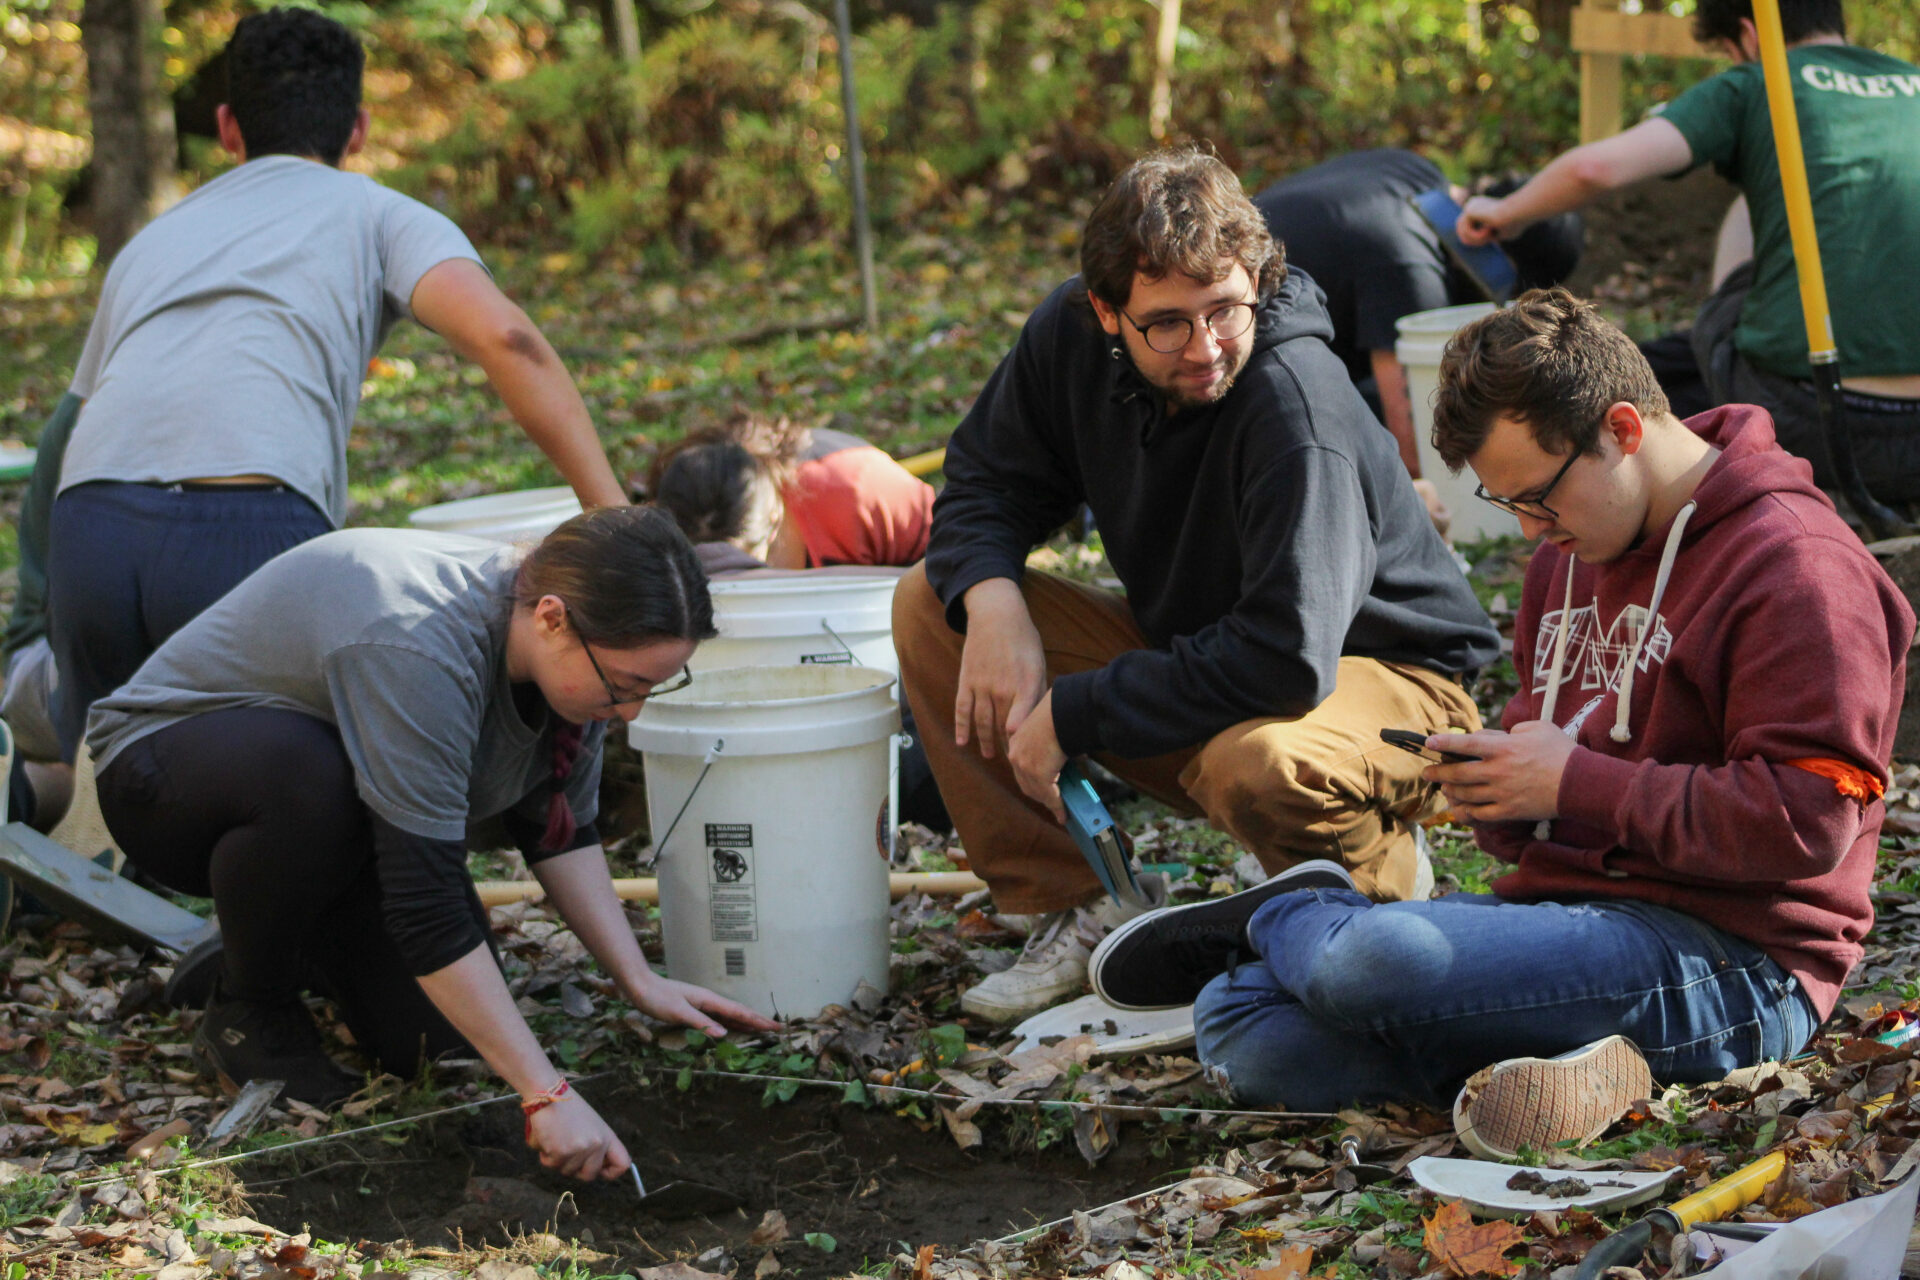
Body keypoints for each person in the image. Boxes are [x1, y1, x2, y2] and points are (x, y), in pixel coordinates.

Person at [1087, 290, 1910, 1135]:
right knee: (1245, 1024)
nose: (1528, 529)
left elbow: (1807, 823)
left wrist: (1573, 785)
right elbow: (1535, 813)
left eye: (1540, 498)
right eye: (1504, 502)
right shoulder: (1569, 553)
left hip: (1734, 962)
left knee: (1370, 962)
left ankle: (1283, 914)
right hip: (1566, 925)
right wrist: (1500, 794)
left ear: (1622, 430)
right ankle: (1557, 1072)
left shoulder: (1799, 568)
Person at [894, 146, 1502, 1024]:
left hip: (1396, 692)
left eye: (1224, 308)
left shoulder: (1295, 407)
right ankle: (1080, 899)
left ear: (1255, 274)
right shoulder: (1070, 341)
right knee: (932, 603)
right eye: (1167, 323)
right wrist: (990, 603)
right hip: (1208, 659)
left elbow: (1286, 659)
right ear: (1106, 312)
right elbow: (985, 479)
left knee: (1257, 761)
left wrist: (1075, 712)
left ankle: (1376, 880)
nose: (1206, 347)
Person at [87, 506, 778, 1175]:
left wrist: (637, 978)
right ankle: (251, 1002)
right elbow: (426, 897)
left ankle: (284, 936)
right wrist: (545, 1094)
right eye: (625, 686)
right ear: (552, 618)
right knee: (310, 782)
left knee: (432, 1041)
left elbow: (559, 829)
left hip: (339, 814)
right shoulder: (417, 642)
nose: (629, 712)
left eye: (653, 687)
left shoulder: (579, 664)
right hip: (168, 778)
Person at [44, 6, 627, 766]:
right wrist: (613, 518)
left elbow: (72, 421)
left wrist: (40, 597)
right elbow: (508, 337)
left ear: (227, 128)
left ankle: (42, 823)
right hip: (244, 519)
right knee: (298, 779)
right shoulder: (379, 213)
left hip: (89, 527)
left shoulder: (151, 242)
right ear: (357, 129)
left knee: (117, 780)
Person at [1456, 0, 1920, 506]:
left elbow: (1596, 170)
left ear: (1748, 35)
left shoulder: (1759, 83)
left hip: (1819, 420)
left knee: (1700, 332)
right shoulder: (1912, 82)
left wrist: (1503, 212)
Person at [1252, 149, 1583, 480]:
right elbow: (1416, 457)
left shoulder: (1409, 167)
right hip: (1243, 397)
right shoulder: (1410, 270)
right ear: (1497, 253)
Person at [648, 411, 935, 574]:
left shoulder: (855, 487)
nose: (725, 583)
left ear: (773, 521)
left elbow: (959, 554)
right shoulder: (673, 490)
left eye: (737, 566)